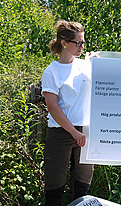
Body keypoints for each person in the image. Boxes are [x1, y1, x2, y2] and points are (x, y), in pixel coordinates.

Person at [42, 20, 93, 206]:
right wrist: (73, 132)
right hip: (61, 132)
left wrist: (99, 60)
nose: (81, 46)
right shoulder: (51, 71)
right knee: (55, 187)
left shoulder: (86, 66)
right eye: (77, 42)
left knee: (82, 187)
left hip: (84, 132)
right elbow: (53, 107)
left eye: (83, 42)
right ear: (64, 43)